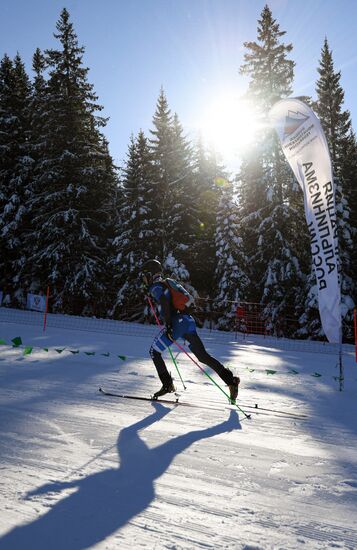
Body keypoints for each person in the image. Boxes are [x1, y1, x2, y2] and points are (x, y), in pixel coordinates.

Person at [142, 259, 240, 402]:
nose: (143, 279)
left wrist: (169, 325)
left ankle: (167, 385)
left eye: (145, 275)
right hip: (188, 321)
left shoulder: (156, 287)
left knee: (154, 352)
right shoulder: (166, 283)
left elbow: (163, 301)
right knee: (203, 356)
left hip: (177, 324)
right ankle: (231, 380)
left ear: (150, 273)